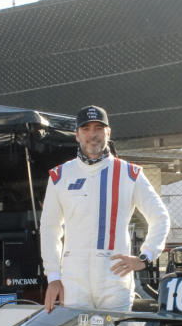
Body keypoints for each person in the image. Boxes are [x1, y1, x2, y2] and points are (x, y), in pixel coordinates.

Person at [40, 105, 170, 312]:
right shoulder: (60, 175)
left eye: (99, 128)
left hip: (114, 281)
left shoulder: (129, 173)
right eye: (86, 129)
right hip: (73, 283)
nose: (93, 134)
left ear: (108, 133)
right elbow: (50, 229)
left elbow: (160, 217)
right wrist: (54, 277)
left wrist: (145, 257)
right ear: (77, 135)